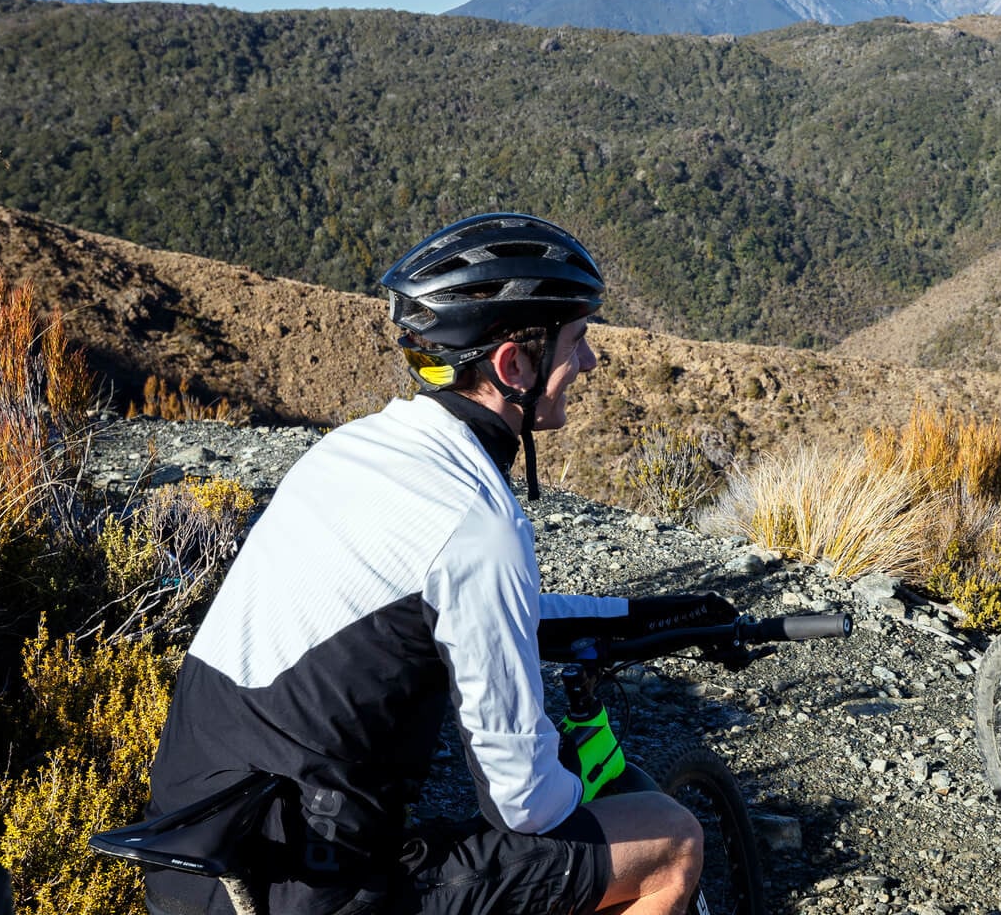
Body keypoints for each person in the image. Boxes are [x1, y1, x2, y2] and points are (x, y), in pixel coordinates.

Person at [145, 212, 734, 915]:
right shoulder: (475, 521)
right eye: (578, 342)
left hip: (193, 865)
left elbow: (422, 610)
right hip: (309, 895)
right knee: (668, 840)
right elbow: (523, 802)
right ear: (515, 365)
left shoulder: (351, 451)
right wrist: (592, 789)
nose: (588, 364)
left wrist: (643, 615)